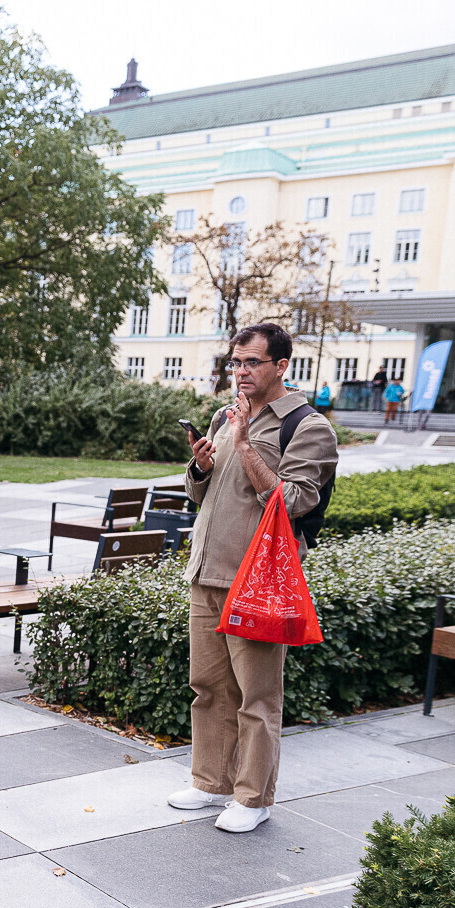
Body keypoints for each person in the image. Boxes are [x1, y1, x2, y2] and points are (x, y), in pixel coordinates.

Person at [171, 323, 338, 833]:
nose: (241, 372)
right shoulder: (227, 416)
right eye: (236, 363)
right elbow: (202, 496)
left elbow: (293, 502)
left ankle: (253, 797)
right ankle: (210, 782)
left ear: (281, 365)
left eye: (252, 363)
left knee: (257, 696)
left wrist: (244, 445)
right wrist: (200, 468)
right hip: (207, 572)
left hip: (257, 581)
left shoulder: (308, 427)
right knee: (208, 688)